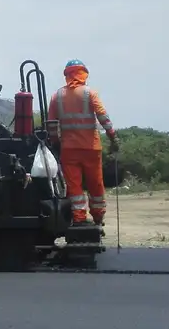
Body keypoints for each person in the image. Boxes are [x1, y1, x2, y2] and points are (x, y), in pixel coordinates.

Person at [47, 59, 119, 225]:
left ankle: (79, 218)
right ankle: (98, 216)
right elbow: (103, 117)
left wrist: (56, 143)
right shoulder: (90, 93)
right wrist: (113, 137)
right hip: (91, 148)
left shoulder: (56, 96)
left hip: (69, 150)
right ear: (83, 73)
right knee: (95, 184)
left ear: (67, 75)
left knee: (74, 187)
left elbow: (51, 125)